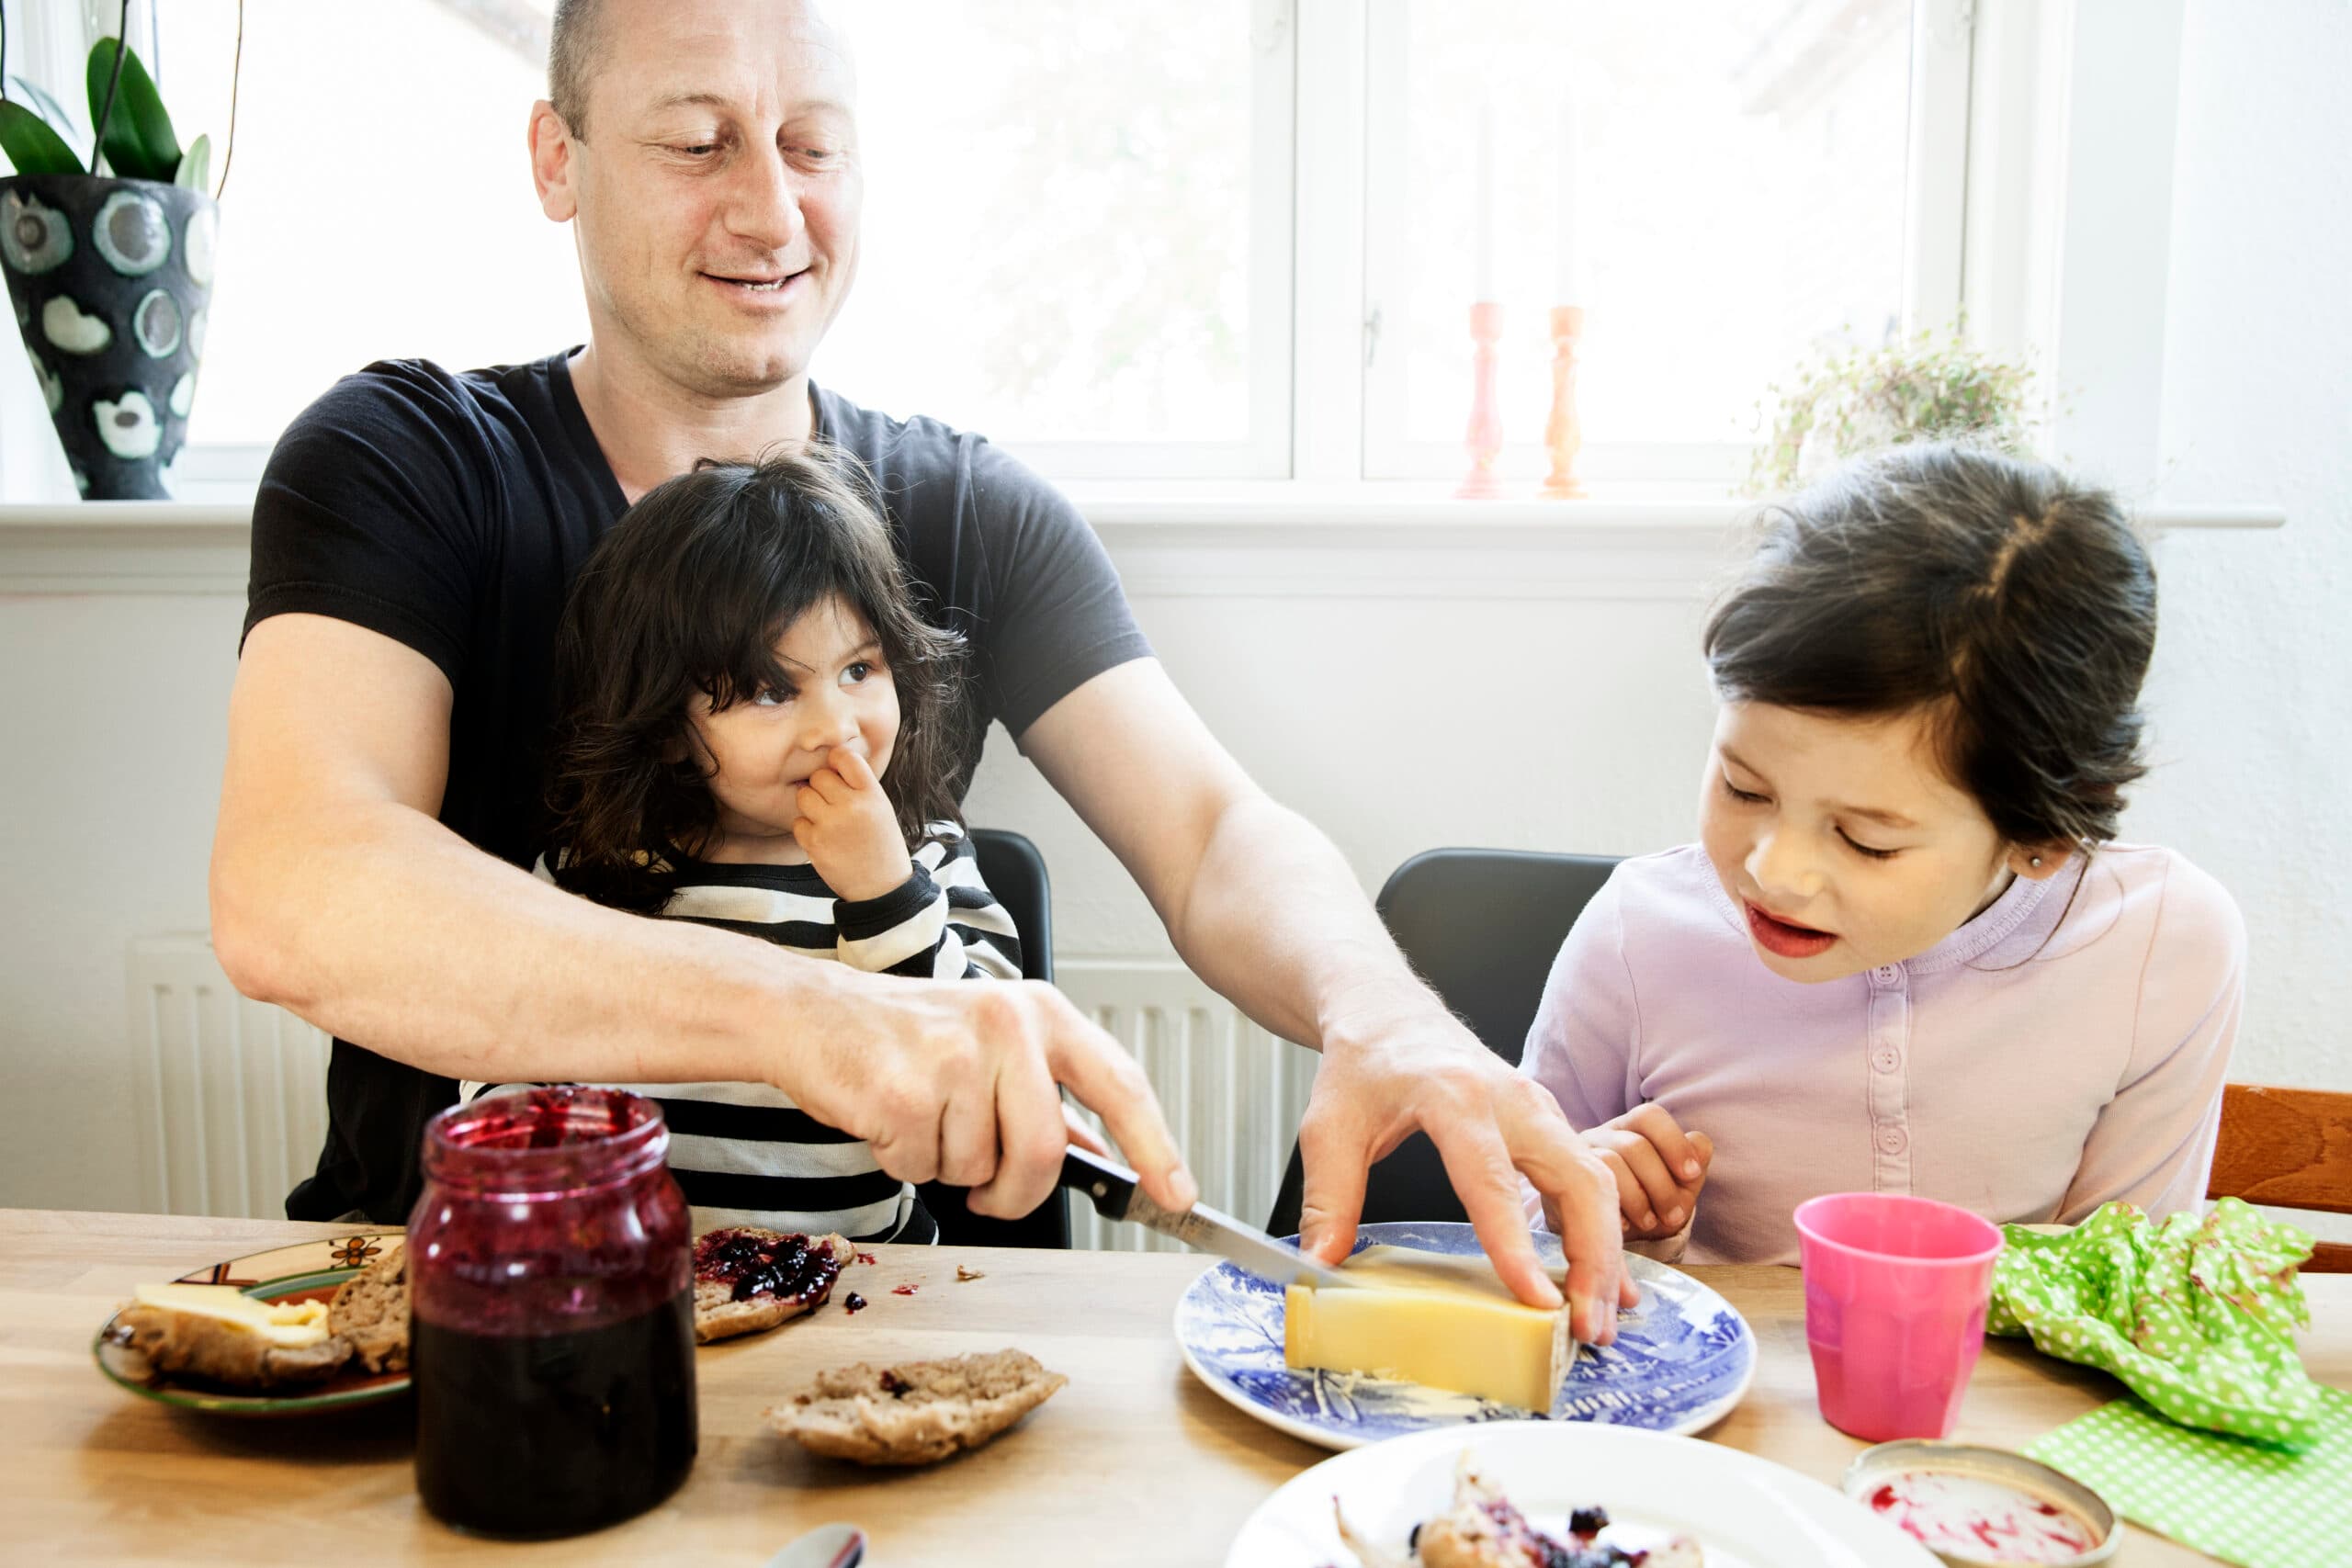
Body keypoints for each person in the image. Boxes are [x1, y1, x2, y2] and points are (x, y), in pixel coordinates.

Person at [209, 0, 1627, 1332]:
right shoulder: (405, 462)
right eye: (697, 142)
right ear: (557, 157)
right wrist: (812, 1017)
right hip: (470, 1312)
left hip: (894, 1327)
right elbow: (295, 883)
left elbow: (1209, 830)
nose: (771, 209)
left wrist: (1383, 1014)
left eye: (812, 145)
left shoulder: (973, 508)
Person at [1521, 444, 2245, 1265]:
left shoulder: (2162, 946)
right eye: (1744, 787)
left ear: (2042, 838)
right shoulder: (1636, 934)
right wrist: (1605, 1221)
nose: (1772, 871)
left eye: (1867, 840)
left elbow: (2123, 1284)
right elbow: (1511, 1218)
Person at [464, 450, 1037, 1241]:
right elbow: (501, 1078)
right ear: (666, 726)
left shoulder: (925, 859)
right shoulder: (597, 877)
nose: (835, 726)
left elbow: (976, 1069)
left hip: (868, 1284)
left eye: (860, 668)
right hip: (650, 1291)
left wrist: (883, 895)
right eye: (772, 690)